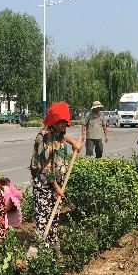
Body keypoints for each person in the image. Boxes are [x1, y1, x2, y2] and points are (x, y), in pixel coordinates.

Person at [30, 101, 81, 247]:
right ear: (54, 122)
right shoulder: (44, 137)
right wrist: (56, 187)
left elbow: (63, 138)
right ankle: (42, 249)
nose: (65, 125)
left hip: (57, 180)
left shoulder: (59, 132)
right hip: (44, 182)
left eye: (66, 122)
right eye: (62, 122)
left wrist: (73, 142)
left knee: (55, 213)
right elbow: (45, 168)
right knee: (43, 216)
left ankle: (53, 245)